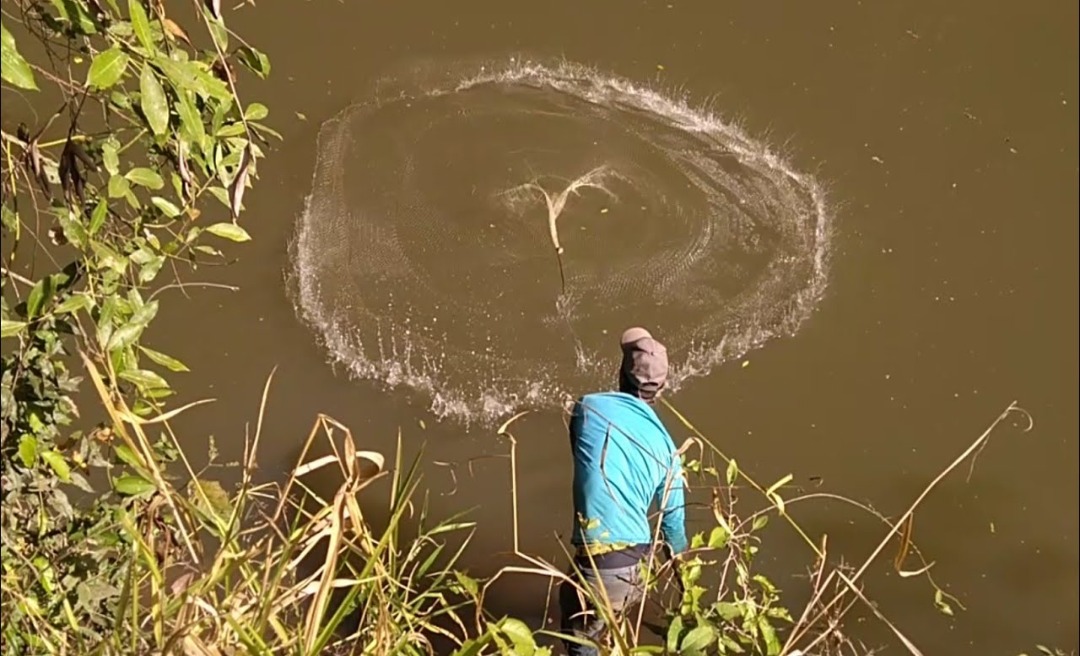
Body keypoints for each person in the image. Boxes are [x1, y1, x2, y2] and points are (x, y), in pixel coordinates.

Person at [559, 327, 689, 656]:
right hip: (638, 567)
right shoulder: (669, 448)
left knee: (581, 640)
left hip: (602, 560)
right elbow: (674, 529)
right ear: (660, 389)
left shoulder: (588, 407)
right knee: (605, 630)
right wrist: (687, 591)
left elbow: (579, 453)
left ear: (621, 372)